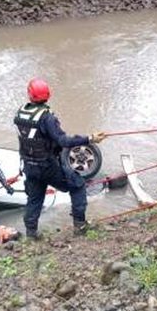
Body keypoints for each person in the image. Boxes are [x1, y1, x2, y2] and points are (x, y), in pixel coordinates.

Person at [14, 78, 107, 238]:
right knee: (77, 185)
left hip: (29, 165)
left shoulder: (20, 113)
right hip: (47, 166)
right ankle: (80, 226)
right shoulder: (47, 117)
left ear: (30, 95)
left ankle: (31, 234)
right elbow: (63, 141)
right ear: (48, 95)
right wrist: (90, 138)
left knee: (35, 197)